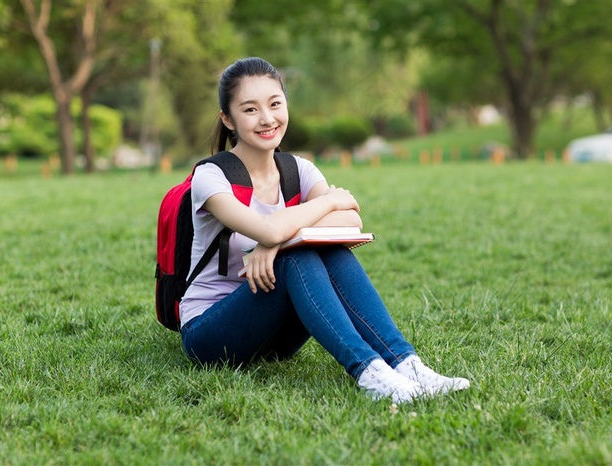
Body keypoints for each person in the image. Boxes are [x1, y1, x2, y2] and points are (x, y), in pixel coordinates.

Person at [180, 57, 469, 403]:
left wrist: (277, 242)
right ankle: (370, 374)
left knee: (327, 248)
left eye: (275, 104)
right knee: (297, 257)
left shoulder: (297, 169)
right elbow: (270, 230)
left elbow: (350, 222)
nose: (267, 118)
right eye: (250, 110)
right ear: (228, 119)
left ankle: (406, 364)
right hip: (211, 334)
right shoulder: (210, 177)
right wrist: (326, 203)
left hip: (275, 333)